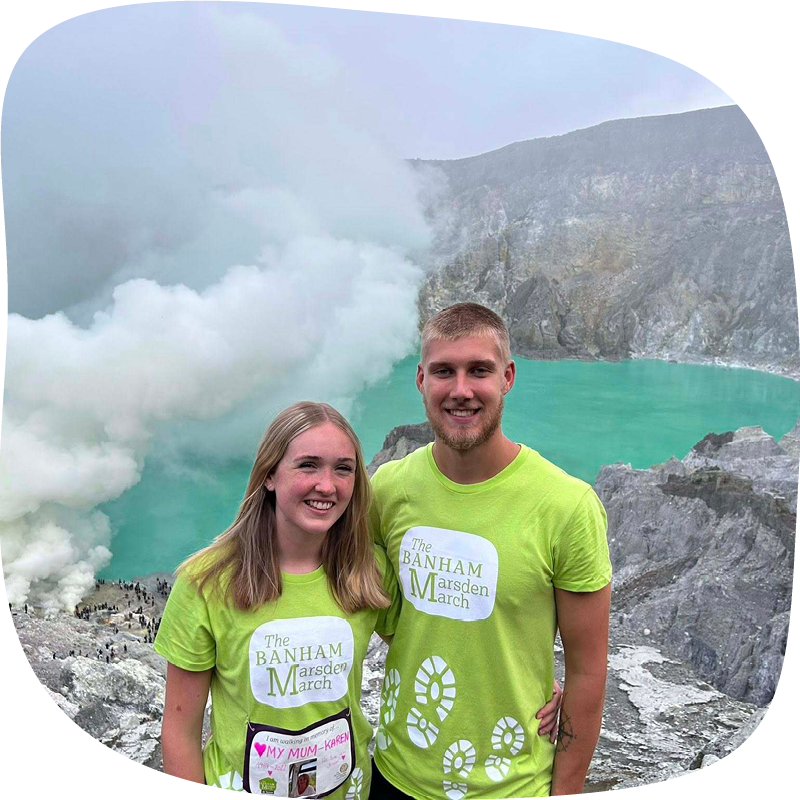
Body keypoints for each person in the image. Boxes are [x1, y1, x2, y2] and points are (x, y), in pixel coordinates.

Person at [368, 303, 611, 799]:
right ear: (420, 379)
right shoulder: (388, 489)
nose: (461, 390)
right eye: (444, 371)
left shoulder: (566, 506)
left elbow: (588, 669)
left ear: (508, 377)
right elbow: (349, 592)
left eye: (479, 369)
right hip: (395, 773)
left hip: (512, 785)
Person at [155, 401, 400, 799]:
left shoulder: (367, 570)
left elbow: (425, 642)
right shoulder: (207, 583)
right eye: (308, 465)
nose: (327, 485)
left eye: (344, 468)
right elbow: (180, 731)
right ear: (269, 475)